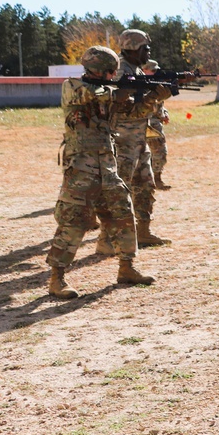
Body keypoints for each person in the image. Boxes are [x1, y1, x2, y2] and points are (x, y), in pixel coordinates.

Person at [44, 46, 156, 299]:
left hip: (107, 164)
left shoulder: (108, 92)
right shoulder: (73, 86)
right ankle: (56, 278)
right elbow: (98, 95)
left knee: (123, 213)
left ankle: (127, 268)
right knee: (74, 219)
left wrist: (155, 95)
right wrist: (123, 90)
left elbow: (131, 112)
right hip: (81, 165)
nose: (113, 75)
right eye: (110, 72)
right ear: (101, 70)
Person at [97, 29, 175, 253]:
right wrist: (155, 97)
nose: (148, 51)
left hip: (139, 138)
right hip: (123, 141)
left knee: (145, 186)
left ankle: (143, 231)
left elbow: (141, 108)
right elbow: (125, 109)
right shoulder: (121, 71)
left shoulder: (136, 69)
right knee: (119, 191)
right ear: (133, 48)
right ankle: (106, 239)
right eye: (145, 48)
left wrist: (157, 97)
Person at [142, 59, 171, 190]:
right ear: (144, 70)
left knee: (159, 152)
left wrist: (164, 113)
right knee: (153, 153)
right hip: (146, 123)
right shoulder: (139, 85)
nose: (155, 72)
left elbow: (160, 105)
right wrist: (160, 114)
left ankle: (156, 178)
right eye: (152, 70)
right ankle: (151, 180)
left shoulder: (154, 84)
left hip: (154, 123)